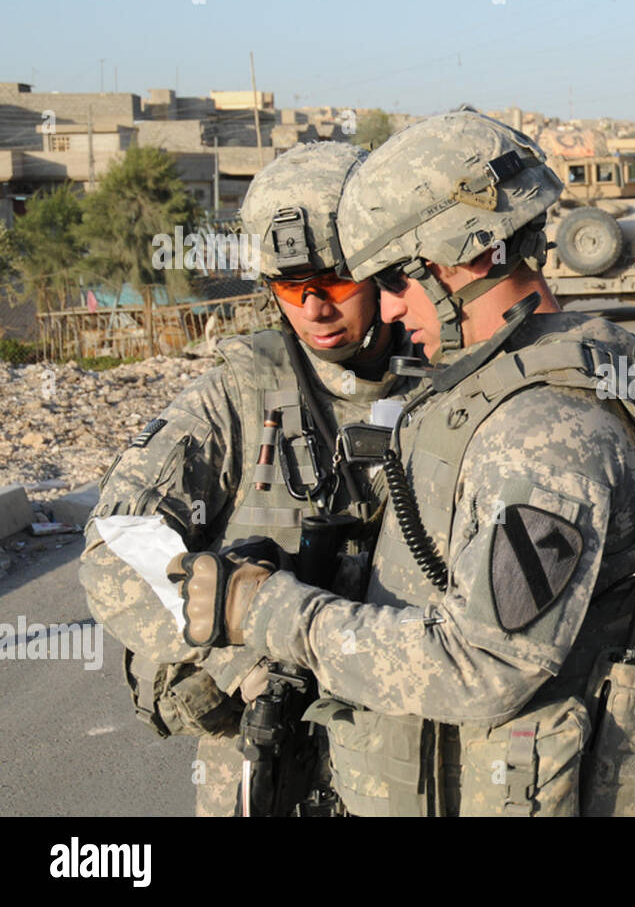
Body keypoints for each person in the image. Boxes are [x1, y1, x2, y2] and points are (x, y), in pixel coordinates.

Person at [165, 109, 635, 817]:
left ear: (460, 262)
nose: (389, 311)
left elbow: (483, 664)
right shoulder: (505, 383)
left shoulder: (548, 431)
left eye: (393, 281)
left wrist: (267, 608)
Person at [80, 141, 414, 815]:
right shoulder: (238, 395)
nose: (315, 308)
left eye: (336, 282)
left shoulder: (448, 387)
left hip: (413, 753)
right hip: (267, 756)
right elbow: (115, 546)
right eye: (292, 289)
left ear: (386, 270)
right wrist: (244, 659)